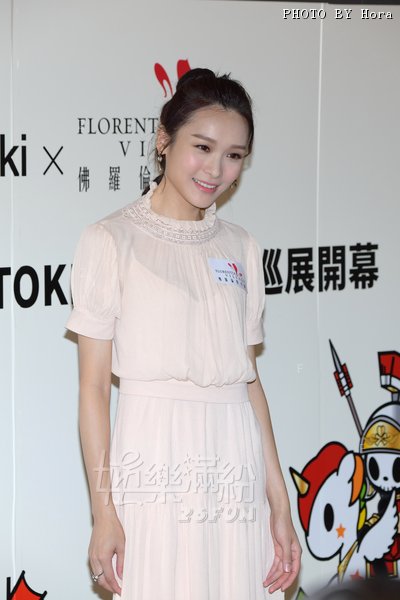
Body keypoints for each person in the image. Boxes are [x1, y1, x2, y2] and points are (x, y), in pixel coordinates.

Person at [66, 67, 301, 600]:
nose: (216, 170)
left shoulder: (241, 247)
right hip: (154, 455)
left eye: (234, 155)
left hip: (235, 459)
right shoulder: (111, 240)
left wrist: (279, 503)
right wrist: (104, 513)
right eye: (202, 147)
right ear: (163, 139)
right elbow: (93, 389)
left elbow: (249, 382)